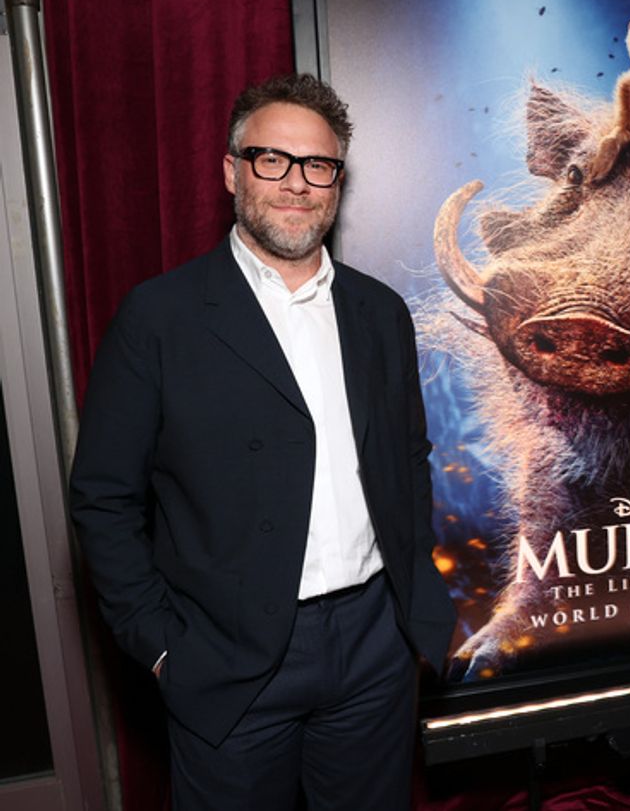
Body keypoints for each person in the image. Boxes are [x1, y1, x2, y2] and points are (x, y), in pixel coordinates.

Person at [70, 73, 456, 810]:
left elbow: (407, 461)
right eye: (271, 159)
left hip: (374, 648)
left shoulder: (380, 313)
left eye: (318, 165)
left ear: (338, 181)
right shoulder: (159, 318)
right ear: (231, 170)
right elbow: (102, 499)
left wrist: (415, 609)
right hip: (226, 657)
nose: (296, 183)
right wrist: (159, 646)